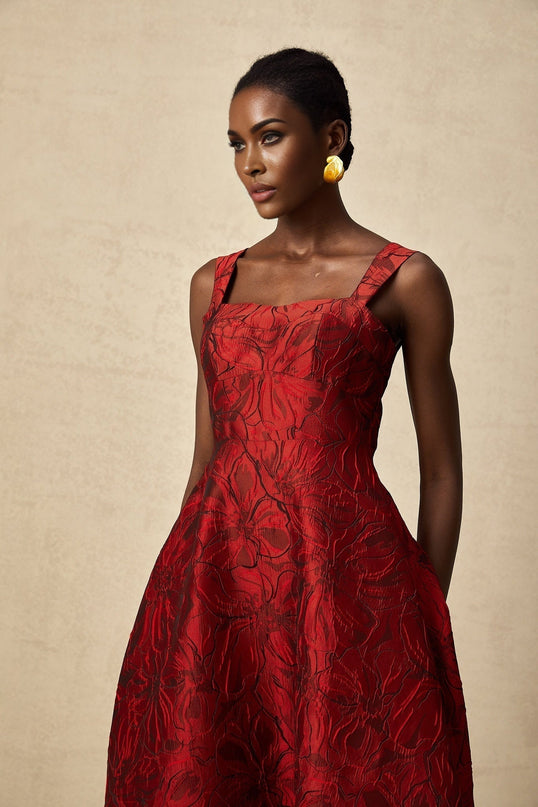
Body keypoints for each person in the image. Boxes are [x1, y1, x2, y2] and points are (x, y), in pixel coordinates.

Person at [105, 47, 474, 806]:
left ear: (332, 136)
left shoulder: (407, 279)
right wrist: (181, 602)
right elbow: (207, 459)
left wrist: (416, 608)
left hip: (348, 587)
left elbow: (442, 470)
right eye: (237, 144)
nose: (250, 163)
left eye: (270, 137)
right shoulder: (215, 284)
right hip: (216, 582)